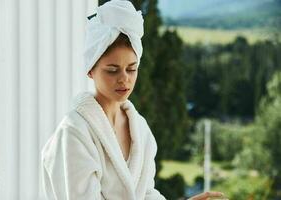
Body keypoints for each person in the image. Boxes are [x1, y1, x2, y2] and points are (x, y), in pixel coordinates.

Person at [41, 1, 226, 199]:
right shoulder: (74, 133)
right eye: (112, 70)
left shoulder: (140, 128)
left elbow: (146, 194)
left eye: (132, 69)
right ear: (90, 70)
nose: (124, 78)